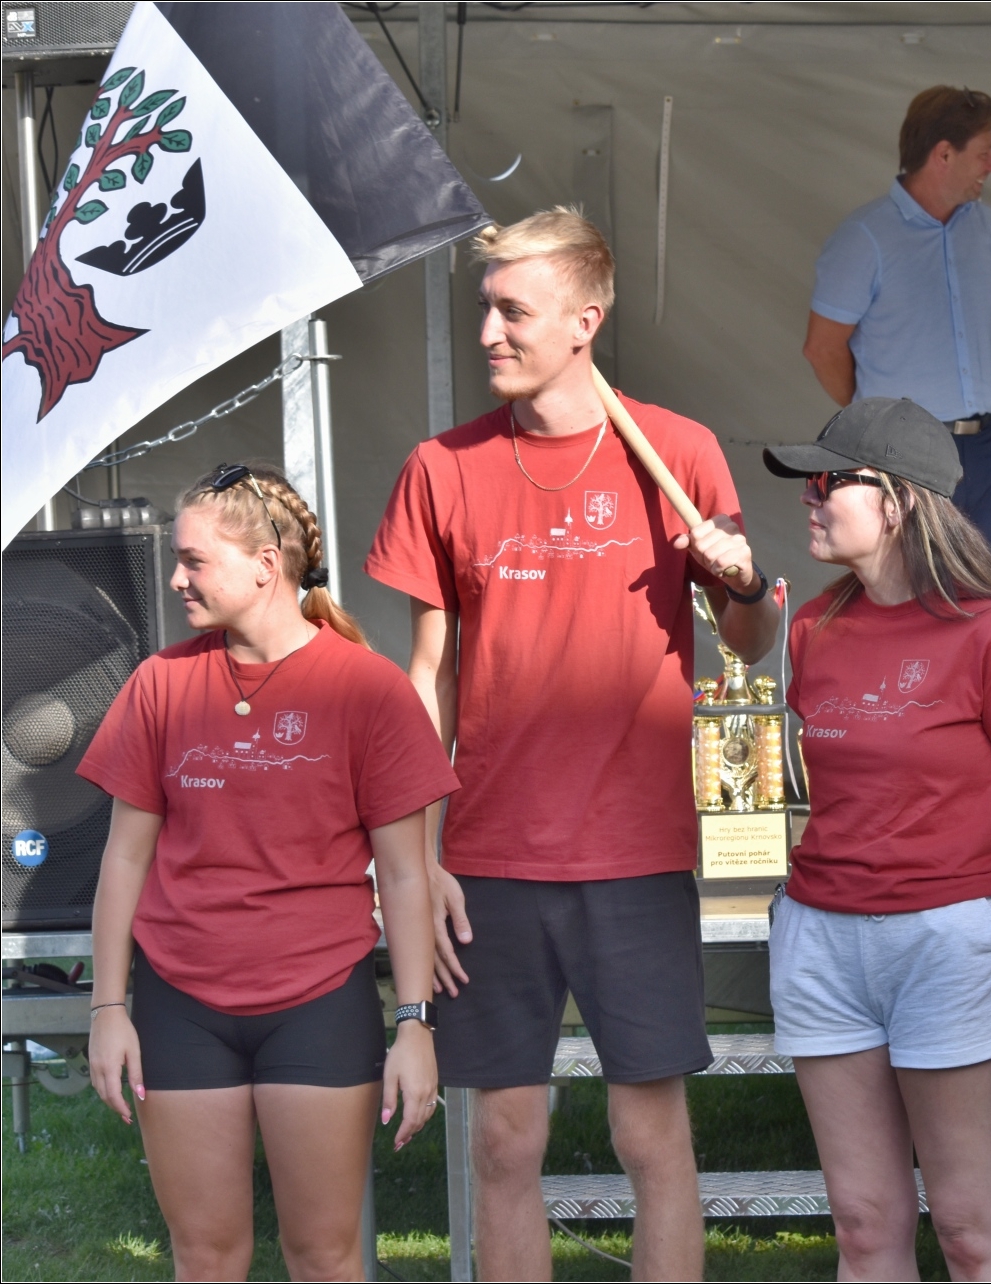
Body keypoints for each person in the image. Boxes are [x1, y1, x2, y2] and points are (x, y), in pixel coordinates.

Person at [364, 207, 781, 1281]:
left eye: (513, 311)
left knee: (652, 1140)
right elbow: (428, 677)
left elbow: (749, 639)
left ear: (584, 320)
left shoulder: (677, 452)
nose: (489, 332)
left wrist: (743, 583)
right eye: (485, 308)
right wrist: (418, 855)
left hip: (634, 852)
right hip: (490, 860)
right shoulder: (442, 467)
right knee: (506, 1142)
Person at [81, 464, 454, 1281]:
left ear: (266, 564)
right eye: (177, 560)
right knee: (206, 1256)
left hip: (319, 1002)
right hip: (181, 1002)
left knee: (323, 1255)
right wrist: (108, 1008)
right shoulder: (159, 683)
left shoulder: (368, 689)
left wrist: (414, 1025)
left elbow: (404, 877)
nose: (176, 579)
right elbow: (124, 859)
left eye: (194, 560)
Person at [761, 397, 991, 1281]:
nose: (809, 497)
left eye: (826, 481)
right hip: (822, 941)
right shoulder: (814, 626)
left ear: (895, 501)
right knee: (862, 1227)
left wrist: (975, 905)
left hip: (948, 944)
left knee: (970, 1228)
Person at [803, 85, 991, 618]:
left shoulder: (988, 228)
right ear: (944, 154)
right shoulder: (864, 237)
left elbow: (986, 326)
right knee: (916, 608)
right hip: (904, 458)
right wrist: (882, 423)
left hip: (988, 446)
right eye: (984, 152)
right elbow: (822, 348)